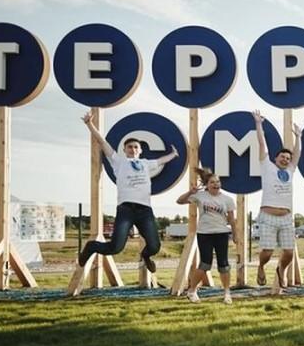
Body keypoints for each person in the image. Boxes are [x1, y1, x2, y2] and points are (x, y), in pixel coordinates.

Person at [77, 111, 178, 273]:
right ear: (124, 150)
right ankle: (91, 247)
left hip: (145, 211)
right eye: (129, 147)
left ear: (140, 150)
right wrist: (89, 124)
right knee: (115, 248)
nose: (132, 149)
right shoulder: (118, 161)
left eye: (136, 147)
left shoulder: (146, 163)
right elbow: (102, 142)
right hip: (126, 210)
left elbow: (161, 161)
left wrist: (173, 154)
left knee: (154, 246)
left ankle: (146, 256)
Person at [252, 110, 301, 295]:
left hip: (286, 218)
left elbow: (297, 154)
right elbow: (262, 144)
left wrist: (298, 137)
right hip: (268, 217)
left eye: (288, 158)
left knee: (289, 252)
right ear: (275, 158)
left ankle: (281, 269)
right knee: (267, 251)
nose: (286, 160)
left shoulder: (290, 171)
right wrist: (259, 124)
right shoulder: (267, 166)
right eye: (282, 157)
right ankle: (261, 266)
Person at [176, 168, 238, 304]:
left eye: (217, 182)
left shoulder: (227, 199)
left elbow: (232, 219)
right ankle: (192, 291)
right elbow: (179, 201)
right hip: (205, 234)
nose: (216, 184)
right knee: (205, 264)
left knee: (224, 264)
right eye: (212, 182)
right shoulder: (200, 196)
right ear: (207, 185)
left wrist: (235, 234)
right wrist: (190, 192)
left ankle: (227, 293)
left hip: (221, 233)